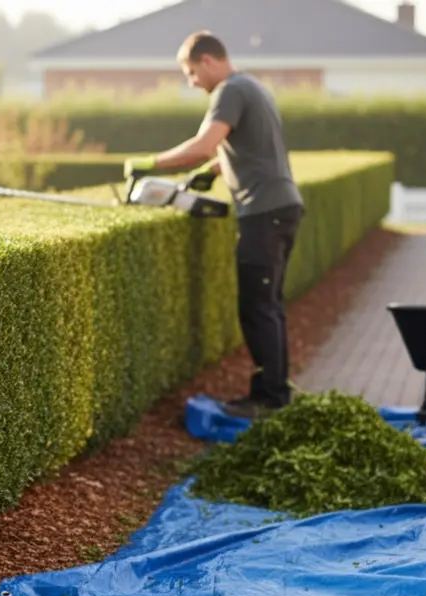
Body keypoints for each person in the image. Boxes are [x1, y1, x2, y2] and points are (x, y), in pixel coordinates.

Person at [123, 30, 305, 419]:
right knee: (269, 305)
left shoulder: (229, 91)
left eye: (190, 73)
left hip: (264, 212)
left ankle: (268, 399)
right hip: (281, 208)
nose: (192, 82)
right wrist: (213, 171)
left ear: (208, 61)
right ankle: (277, 394)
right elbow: (244, 149)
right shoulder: (252, 86)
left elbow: (205, 142)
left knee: (256, 307)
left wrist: (150, 164)